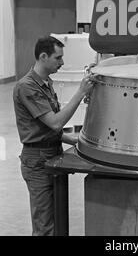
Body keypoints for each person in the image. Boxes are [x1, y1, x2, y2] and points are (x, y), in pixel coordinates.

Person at [13, 36, 95, 236]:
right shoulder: (27, 87)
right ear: (43, 56)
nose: (62, 63)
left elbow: (46, 130)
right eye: (58, 58)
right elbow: (55, 122)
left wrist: (72, 140)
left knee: (57, 220)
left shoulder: (46, 83)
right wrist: (80, 92)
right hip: (38, 160)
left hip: (52, 152)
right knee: (45, 225)